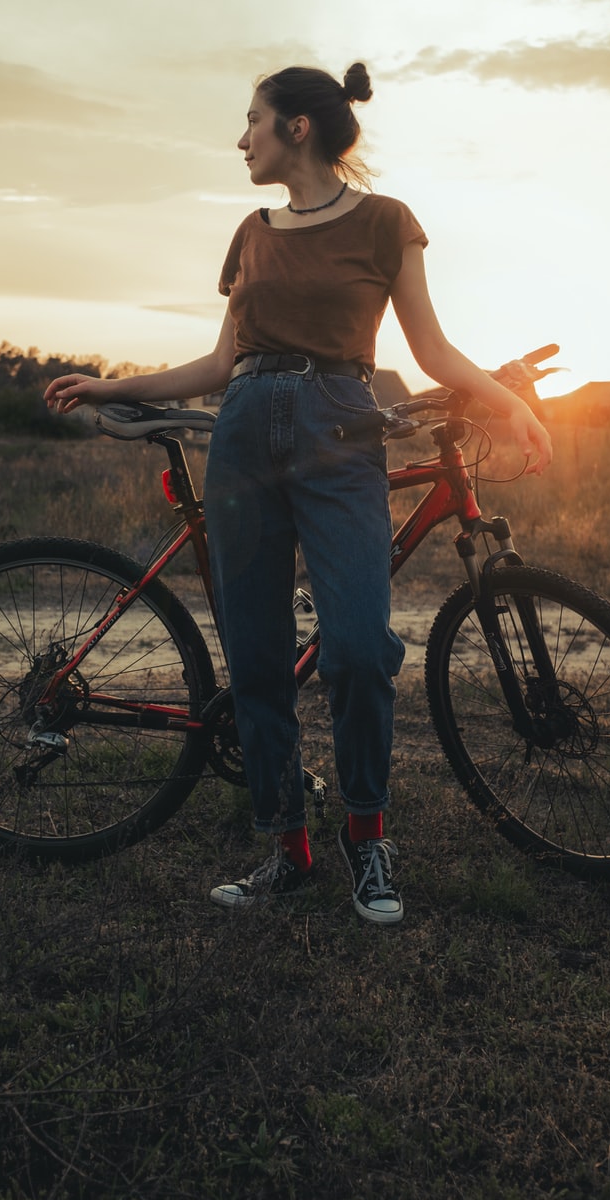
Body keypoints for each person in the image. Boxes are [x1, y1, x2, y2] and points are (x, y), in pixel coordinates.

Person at [45, 62, 551, 925]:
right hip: (243, 436)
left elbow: (429, 347)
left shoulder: (389, 223)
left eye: (253, 121)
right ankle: (286, 846)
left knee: (357, 646)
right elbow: (216, 364)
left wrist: (508, 402)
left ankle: (367, 837)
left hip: (339, 433)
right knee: (257, 655)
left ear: (299, 129)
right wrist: (112, 384)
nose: (241, 139)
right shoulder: (251, 231)